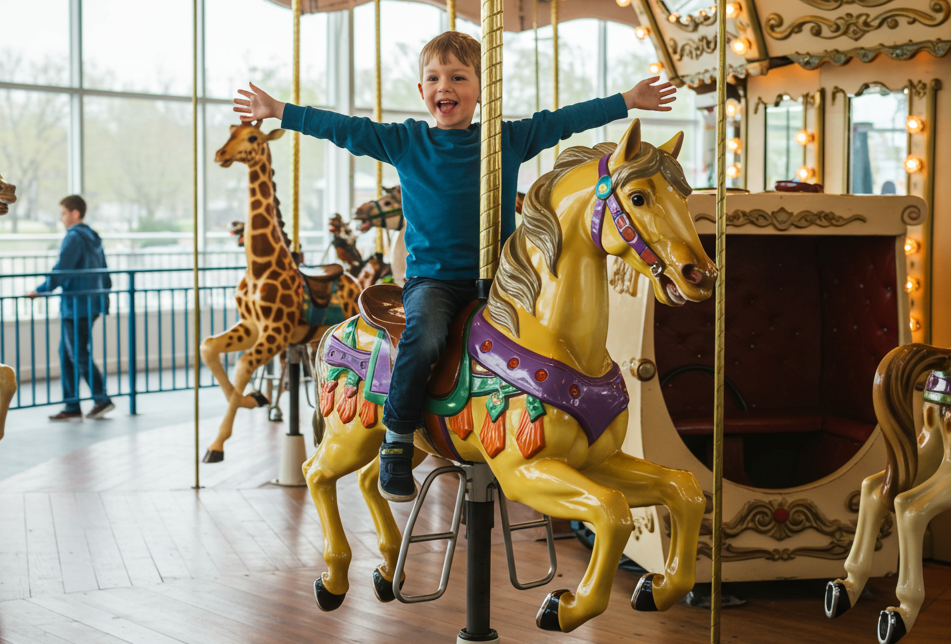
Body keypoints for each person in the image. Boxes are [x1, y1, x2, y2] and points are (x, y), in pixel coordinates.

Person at [234, 31, 676, 501]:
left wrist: (627, 100)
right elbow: (346, 128)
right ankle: (398, 439)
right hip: (435, 282)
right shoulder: (406, 142)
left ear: (480, 89)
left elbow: (563, 121)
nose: (445, 85)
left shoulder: (505, 139)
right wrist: (282, 111)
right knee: (424, 337)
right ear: (423, 92)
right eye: (434, 78)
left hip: (503, 282)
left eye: (458, 77)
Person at [28, 195, 115, 422]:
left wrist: (41, 290)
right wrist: (104, 301)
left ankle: (101, 398)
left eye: (64, 213)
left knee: (77, 353)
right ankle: (72, 405)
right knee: (67, 354)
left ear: (75, 213)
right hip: (90, 303)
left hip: (76, 306)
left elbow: (61, 270)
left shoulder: (73, 237)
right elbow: (104, 271)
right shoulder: (93, 236)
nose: (61, 218)